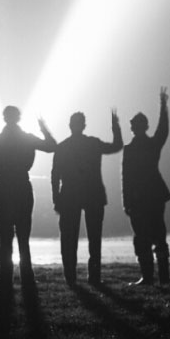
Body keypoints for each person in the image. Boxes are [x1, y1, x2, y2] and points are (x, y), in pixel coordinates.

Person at [0, 105, 56, 289]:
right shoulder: (27, 138)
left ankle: (6, 277)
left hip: (4, 186)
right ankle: (27, 277)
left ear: (4, 118)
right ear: (19, 118)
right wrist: (43, 127)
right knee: (24, 236)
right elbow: (51, 146)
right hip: (22, 186)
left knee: (5, 236)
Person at [51, 110, 123, 286]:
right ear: (84, 125)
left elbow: (55, 175)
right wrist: (115, 127)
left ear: (70, 126)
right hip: (93, 194)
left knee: (69, 238)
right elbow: (116, 146)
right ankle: (94, 276)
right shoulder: (93, 143)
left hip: (69, 196)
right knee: (94, 237)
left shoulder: (62, 147)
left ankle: (70, 276)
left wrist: (56, 198)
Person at [122, 87, 170, 286]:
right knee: (157, 234)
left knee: (143, 237)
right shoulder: (150, 145)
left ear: (133, 128)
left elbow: (125, 177)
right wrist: (163, 106)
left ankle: (150, 276)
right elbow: (163, 129)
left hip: (140, 197)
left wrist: (127, 201)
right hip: (152, 195)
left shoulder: (134, 148)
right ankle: (161, 277)